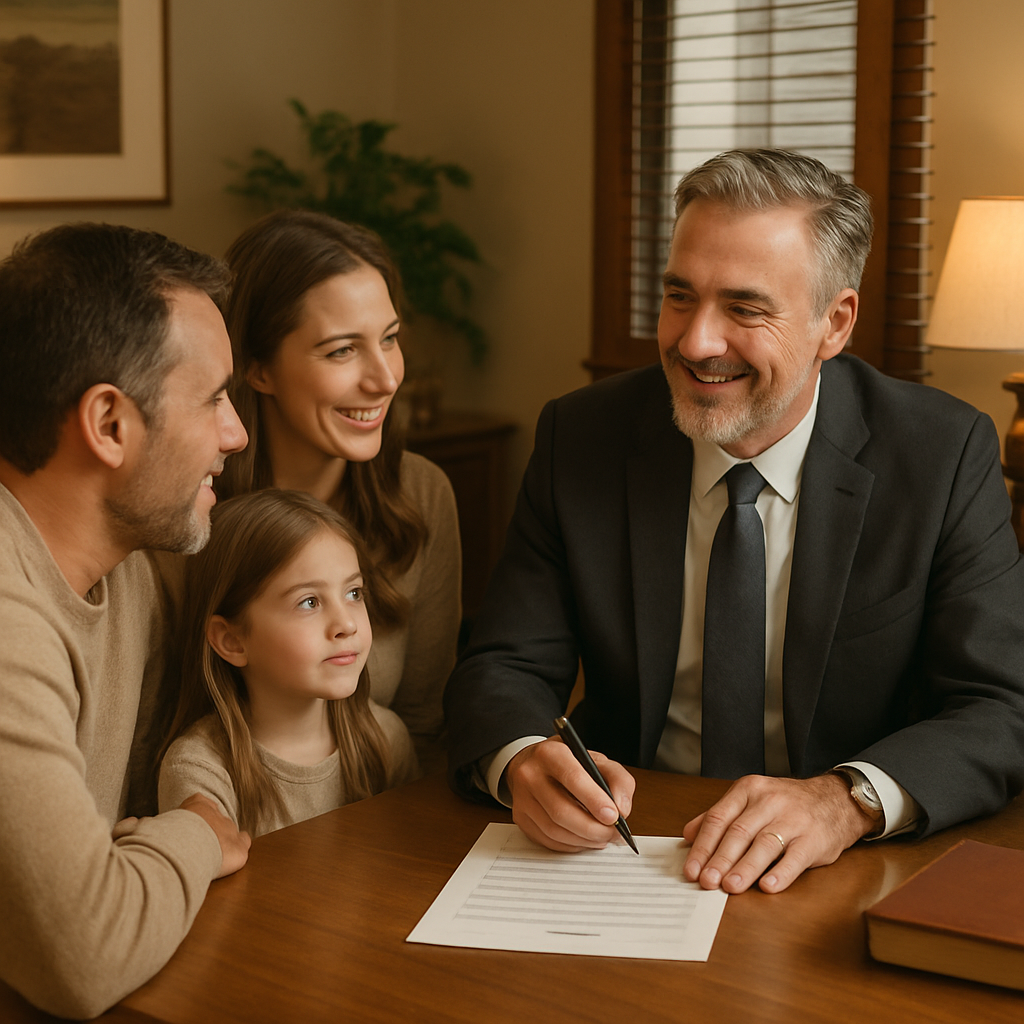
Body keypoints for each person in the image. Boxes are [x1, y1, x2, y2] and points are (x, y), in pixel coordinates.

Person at [445, 149, 1024, 896]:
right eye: (679, 296)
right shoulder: (581, 436)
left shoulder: (941, 454)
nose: (695, 342)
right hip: (627, 857)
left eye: (745, 309)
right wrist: (522, 759)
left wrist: (845, 801)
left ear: (834, 323)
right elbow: (504, 664)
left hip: (839, 870)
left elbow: (1002, 706)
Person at [0, 223, 251, 1018]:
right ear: (110, 424)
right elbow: (84, 953)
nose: (235, 433)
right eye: (213, 399)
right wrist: (200, 830)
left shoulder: (132, 566)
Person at [218, 210, 461, 774]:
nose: (385, 379)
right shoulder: (188, 511)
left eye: (390, 339)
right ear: (256, 368)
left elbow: (426, 726)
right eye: (341, 351)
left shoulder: (422, 493)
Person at [159, 489, 418, 837]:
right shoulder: (199, 768)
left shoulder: (385, 738)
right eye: (309, 602)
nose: (347, 624)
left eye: (354, 593)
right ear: (231, 640)